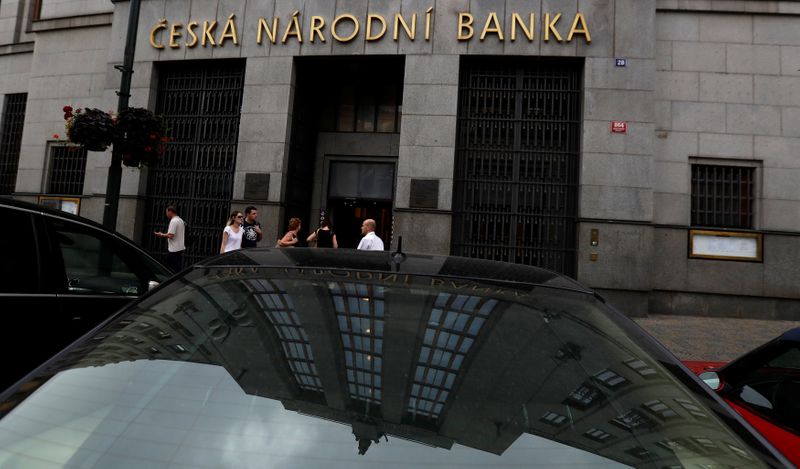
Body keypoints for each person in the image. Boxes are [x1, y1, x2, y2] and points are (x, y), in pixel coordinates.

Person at [154, 205, 185, 273]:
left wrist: (161, 234)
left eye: (166, 212)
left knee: (167, 268)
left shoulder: (174, 221)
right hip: (179, 248)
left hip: (173, 249)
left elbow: (171, 235)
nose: (166, 214)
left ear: (170, 211)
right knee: (176, 267)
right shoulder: (180, 220)